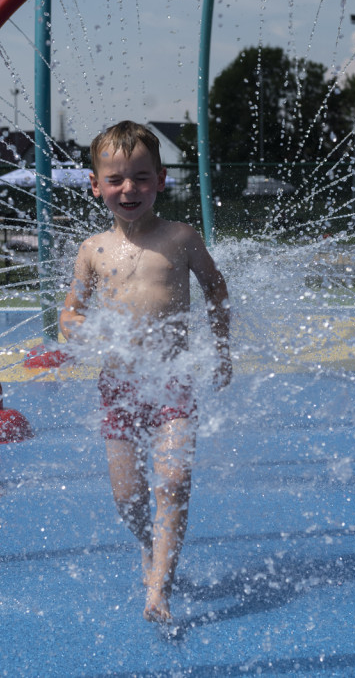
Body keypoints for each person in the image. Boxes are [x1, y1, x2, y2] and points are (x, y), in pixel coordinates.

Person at [59, 121, 231, 624]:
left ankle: (159, 587)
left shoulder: (180, 238)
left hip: (173, 378)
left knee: (173, 483)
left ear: (159, 179)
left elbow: (217, 291)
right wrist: (77, 332)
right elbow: (70, 312)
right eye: (115, 179)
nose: (127, 188)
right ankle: (148, 543)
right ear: (96, 185)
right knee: (128, 496)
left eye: (139, 177)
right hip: (118, 386)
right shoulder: (92, 250)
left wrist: (221, 350)